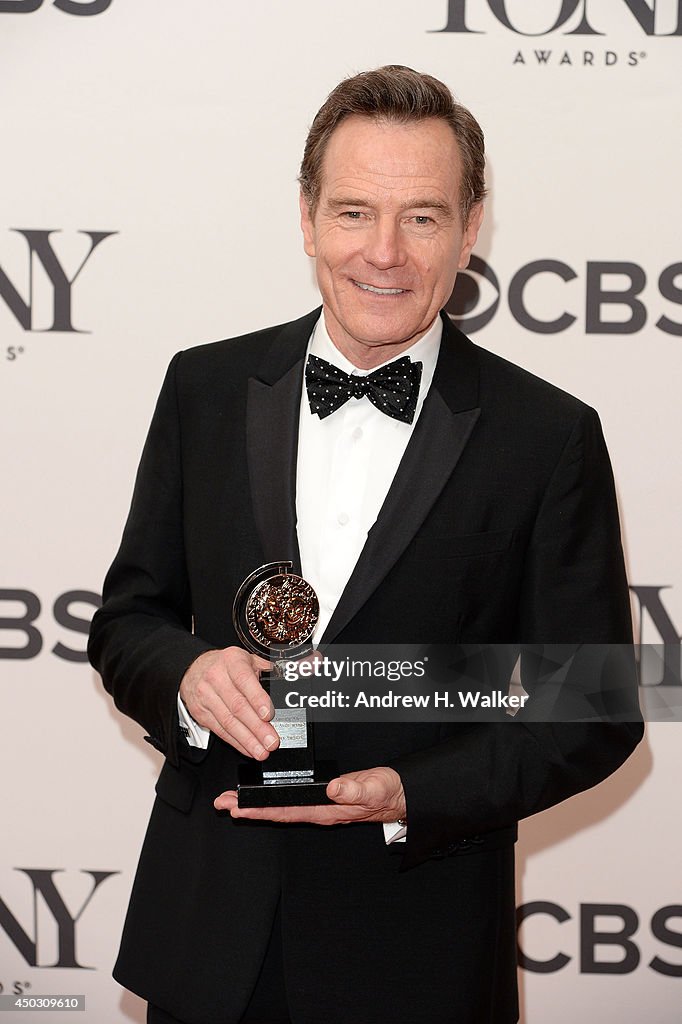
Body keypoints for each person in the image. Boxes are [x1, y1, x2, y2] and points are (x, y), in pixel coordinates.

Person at [88, 66, 643, 1024]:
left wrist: (410, 793)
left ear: (472, 230)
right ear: (306, 219)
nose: (383, 252)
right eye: (353, 212)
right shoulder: (204, 391)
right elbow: (128, 619)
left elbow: (591, 707)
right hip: (212, 940)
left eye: (422, 217)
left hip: (417, 948)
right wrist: (185, 676)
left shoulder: (548, 436)